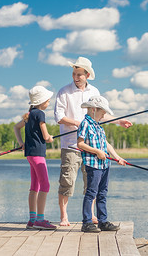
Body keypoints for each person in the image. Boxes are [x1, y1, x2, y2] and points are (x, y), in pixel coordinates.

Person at [54, 56, 132, 226]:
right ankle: (64, 216)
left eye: (79, 74)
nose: (76, 77)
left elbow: (101, 113)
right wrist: (78, 123)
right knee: (67, 181)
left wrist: (119, 121)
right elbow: (59, 117)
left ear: (87, 75)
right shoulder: (64, 91)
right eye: (74, 74)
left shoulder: (94, 92)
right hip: (71, 144)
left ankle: (91, 216)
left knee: (92, 183)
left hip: (93, 148)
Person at [77, 96, 126, 232]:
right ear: (93, 109)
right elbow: (80, 144)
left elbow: (107, 144)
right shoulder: (85, 124)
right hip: (93, 165)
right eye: (102, 112)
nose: (104, 114)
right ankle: (87, 223)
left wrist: (117, 157)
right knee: (91, 192)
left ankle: (102, 221)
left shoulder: (98, 126)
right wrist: (97, 151)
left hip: (105, 165)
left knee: (103, 193)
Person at [14, 86, 56, 230]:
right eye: (47, 99)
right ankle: (40, 219)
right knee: (45, 185)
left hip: (30, 155)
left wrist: (21, 143)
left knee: (34, 187)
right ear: (41, 101)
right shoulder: (40, 114)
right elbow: (45, 136)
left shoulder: (29, 114)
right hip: (38, 154)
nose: (49, 101)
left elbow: (15, 127)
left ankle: (32, 219)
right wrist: (50, 138)